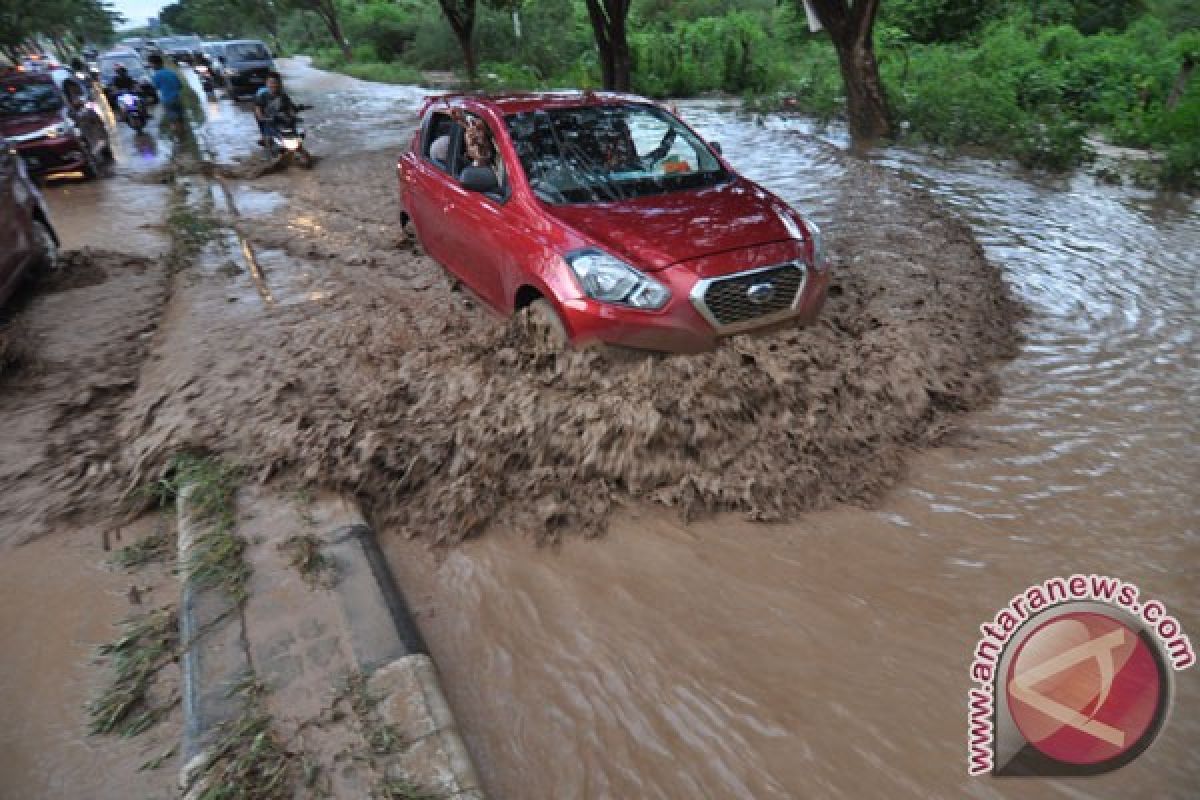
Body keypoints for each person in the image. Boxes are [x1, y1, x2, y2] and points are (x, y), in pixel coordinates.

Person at [253, 71, 298, 146]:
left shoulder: (283, 96)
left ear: (280, 84)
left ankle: (308, 157)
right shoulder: (262, 97)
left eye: (276, 82)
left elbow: (290, 108)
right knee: (268, 141)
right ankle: (269, 152)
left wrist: (293, 116)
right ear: (267, 83)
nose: (274, 85)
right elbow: (258, 112)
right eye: (271, 83)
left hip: (284, 124)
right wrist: (264, 118)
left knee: (298, 144)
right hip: (269, 124)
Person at [148, 53, 184, 133]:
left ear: (155, 64)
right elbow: (180, 86)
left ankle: (179, 139)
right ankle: (183, 138)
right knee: (180, 120)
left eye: (150, 64)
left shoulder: (156, 75)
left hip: (168, 101)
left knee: (173, 122)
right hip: (177, 99)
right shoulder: (171, 72)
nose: (151, 66)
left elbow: (155, 88)